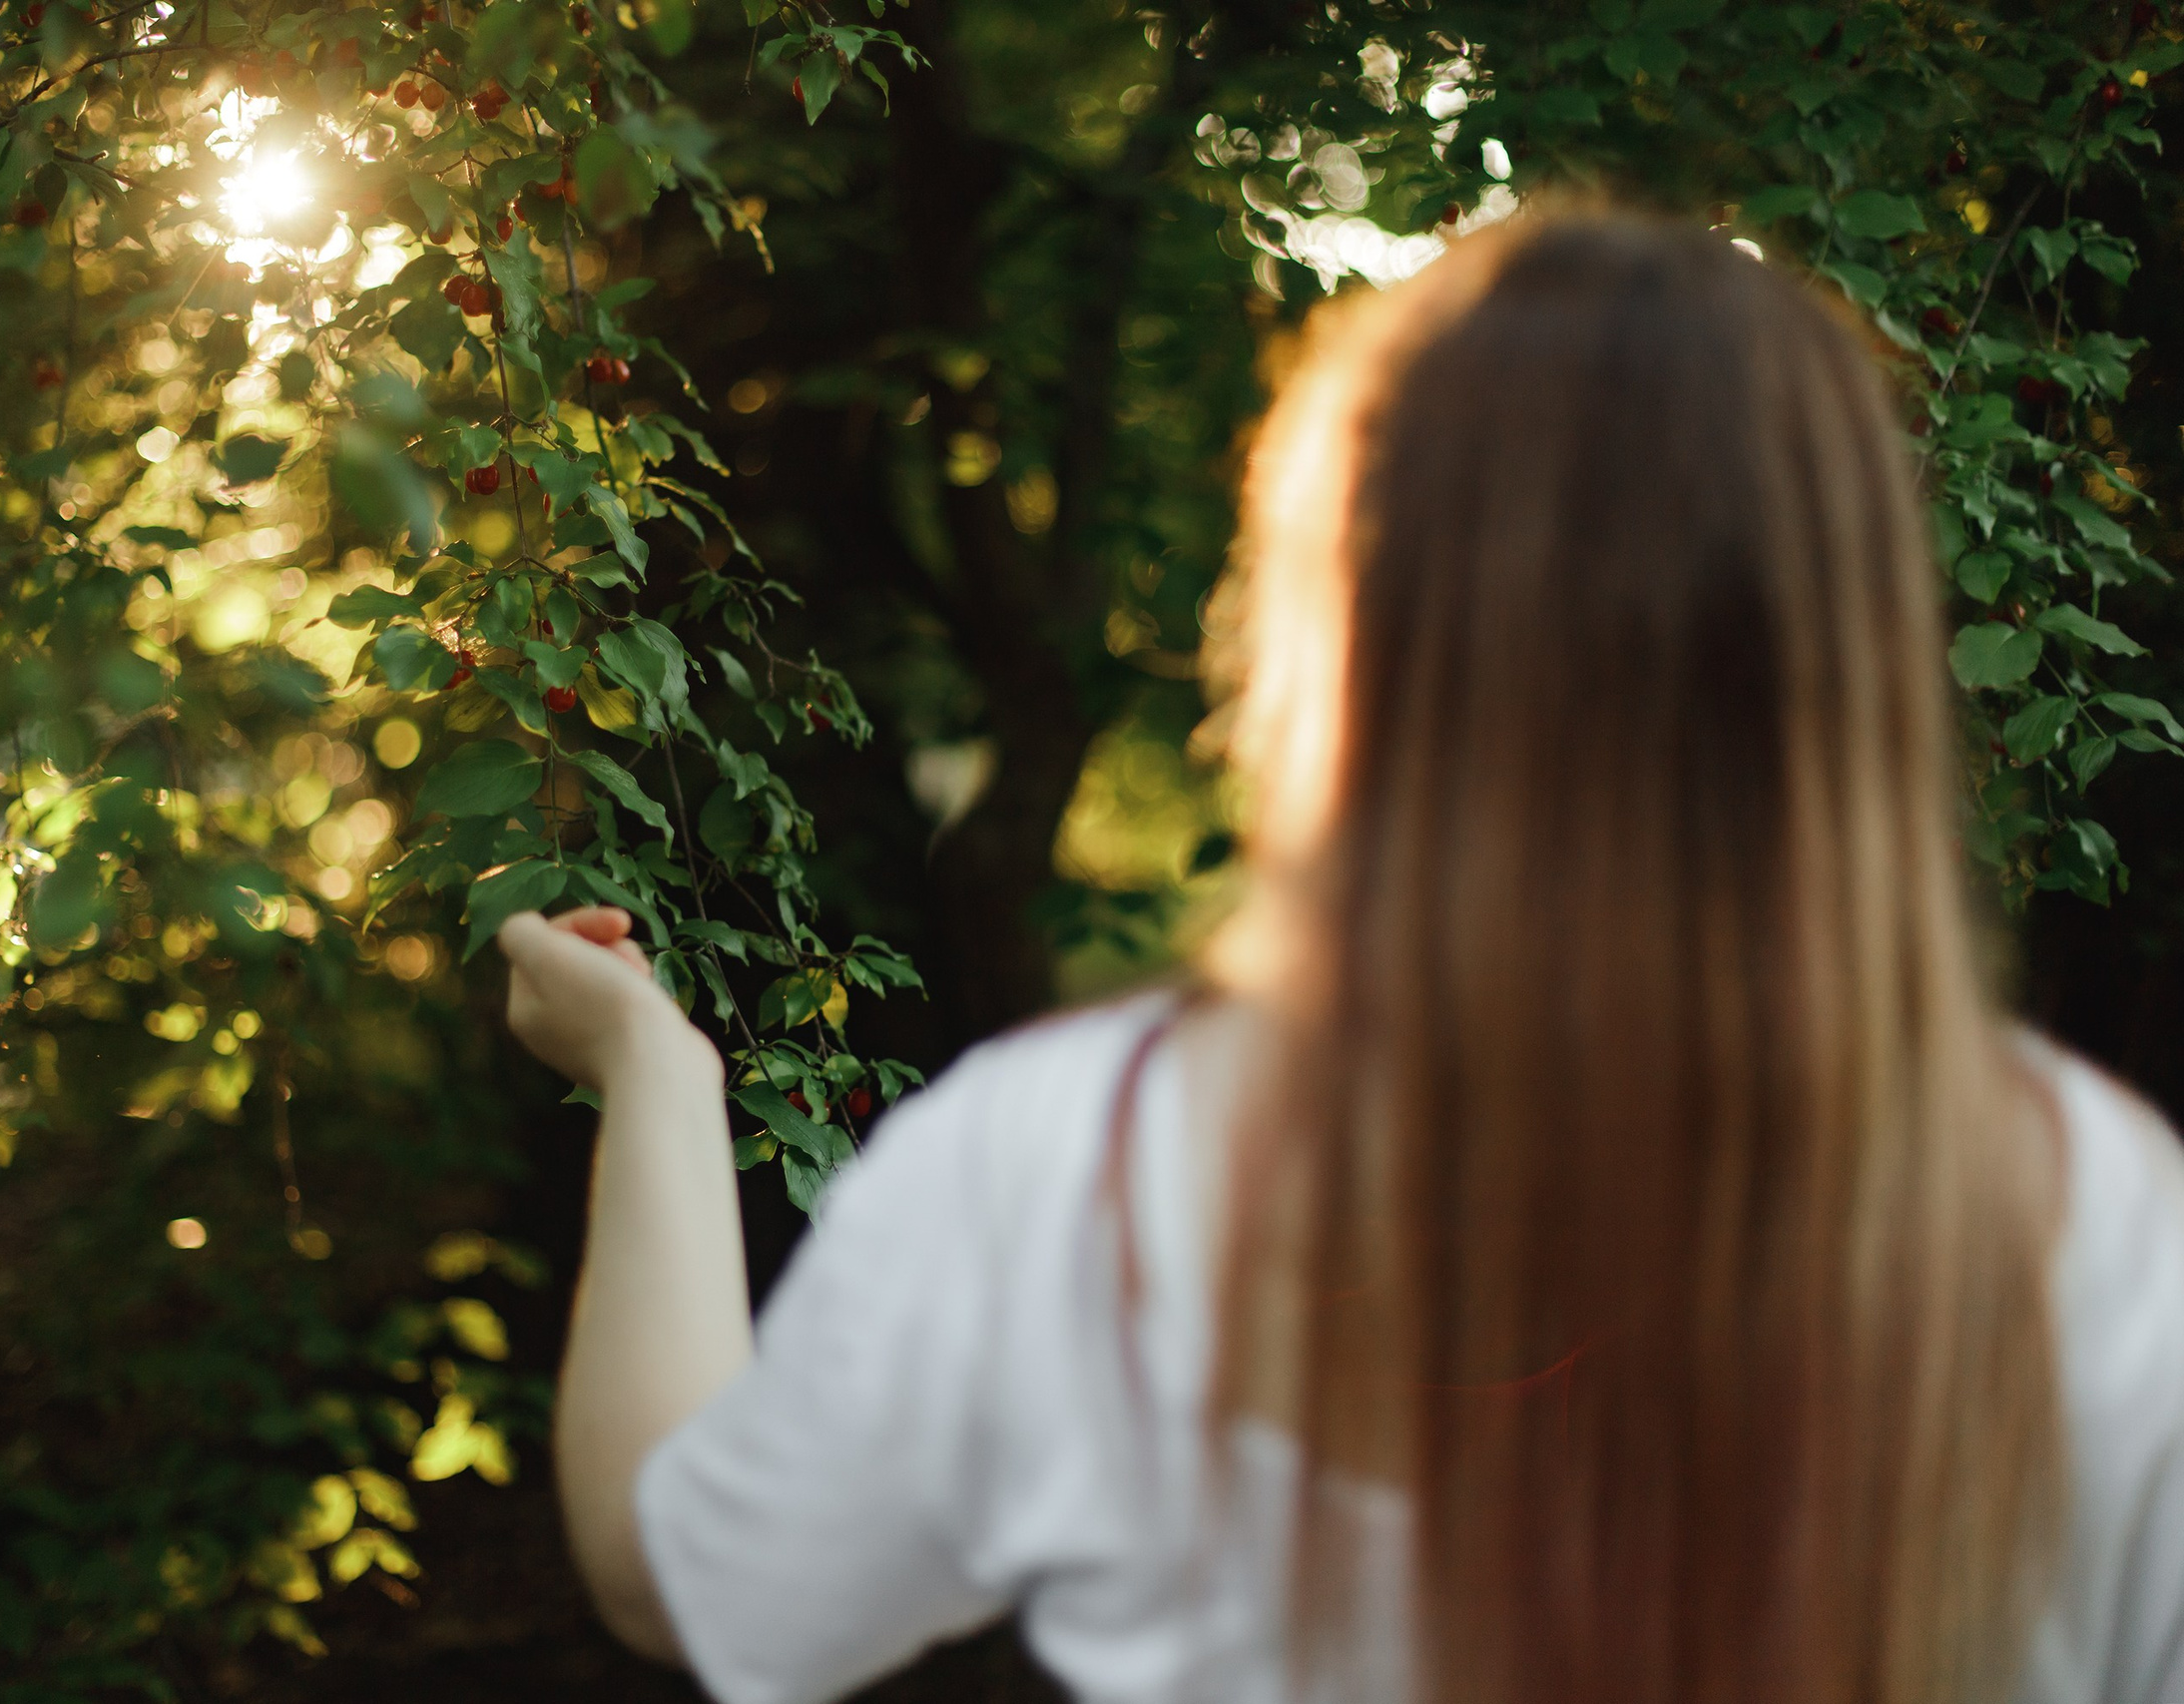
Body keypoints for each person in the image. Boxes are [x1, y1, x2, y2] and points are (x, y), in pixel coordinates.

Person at [494, 214, 2184, 1704]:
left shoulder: (1070, 1170)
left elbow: (681, 1579)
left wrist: (654, 1070)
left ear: (1337, 623)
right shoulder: (2103, 1218)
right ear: (1849, 649)